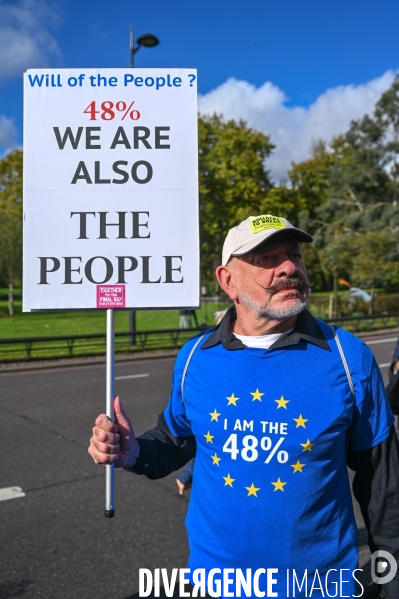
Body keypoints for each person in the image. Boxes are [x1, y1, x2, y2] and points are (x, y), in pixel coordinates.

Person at [89, 214, 399, 598]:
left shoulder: (348, 357)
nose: (290, 267)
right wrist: (134, 451)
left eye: (294, 255)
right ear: (227, 281)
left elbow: (385, 489)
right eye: (268, 258)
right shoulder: (194, 357)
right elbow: (178, 439)